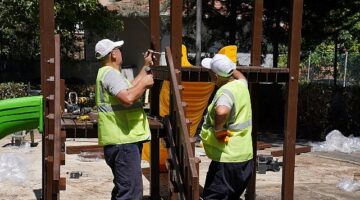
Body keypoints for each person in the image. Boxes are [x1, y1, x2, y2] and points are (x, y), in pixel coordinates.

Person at [94, 38, 154, 200]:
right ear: (113, 54)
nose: (121, 52)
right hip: (123, 141)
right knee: (130, 193)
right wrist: (145, 84)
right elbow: (128, 97)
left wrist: (146, 67)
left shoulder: (110, 74)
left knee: (125, 189)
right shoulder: (110, 75)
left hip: (122, 140)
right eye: (118, 50)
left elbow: (132, 86)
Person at [200, 54, 254, 199]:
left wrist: (218, 130)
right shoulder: (241, 85)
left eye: (210, 72)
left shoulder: (226, 91)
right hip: (244, 158)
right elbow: (241, 76)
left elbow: (222, 110)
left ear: (216, 77)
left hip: (227, 160)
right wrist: (231, 68)